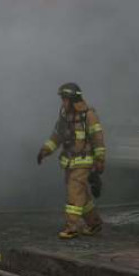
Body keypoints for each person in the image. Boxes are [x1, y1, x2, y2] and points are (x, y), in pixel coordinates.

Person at [36, 83, 106, 239]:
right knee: (83, 195)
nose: (62, 102)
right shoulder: (64, 115)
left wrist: (100, 159)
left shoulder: (88, 115)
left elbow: (98, 138)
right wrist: (45, 150)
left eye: (64, 99)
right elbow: (57, 136)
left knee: (74, 192)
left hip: (83, 161)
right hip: (69, 161)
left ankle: (71, 227)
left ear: (73, 99)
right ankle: (94, 223)